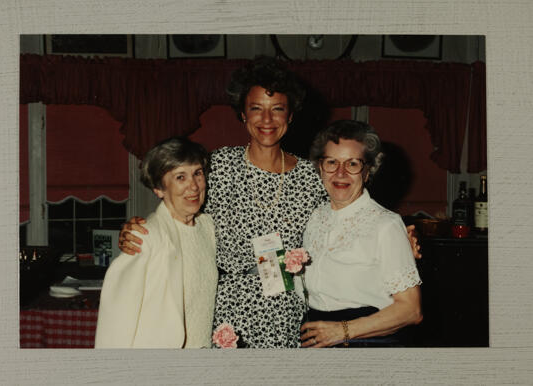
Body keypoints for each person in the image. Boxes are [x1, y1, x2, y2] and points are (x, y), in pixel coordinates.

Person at [118, 57, 421, 348]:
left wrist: (401, 240)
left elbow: (351, 214)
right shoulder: (219, 165)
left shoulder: (311, 174)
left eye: (277, 109)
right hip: (226, 312)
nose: (266, 119)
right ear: (242, 114)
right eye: (256, 108)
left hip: (288, 313)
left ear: (290, 116)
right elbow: (179, 209)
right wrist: (144, 229)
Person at [298, 120, 422, 348]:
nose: (340, 173)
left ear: (368, 171)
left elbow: (411, 310)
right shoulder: (314, 217)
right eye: (331, 162)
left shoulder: (386, 224)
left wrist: (343, 331)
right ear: (319, 167)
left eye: (352, 163)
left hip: (366, 344)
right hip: (316, 340)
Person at [95, 137, 217, 348]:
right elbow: (116, 321)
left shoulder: (207, 228)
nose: (194, 186)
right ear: (159, 189)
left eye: (197, 173)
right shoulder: (144, 236)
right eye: (181, 177)